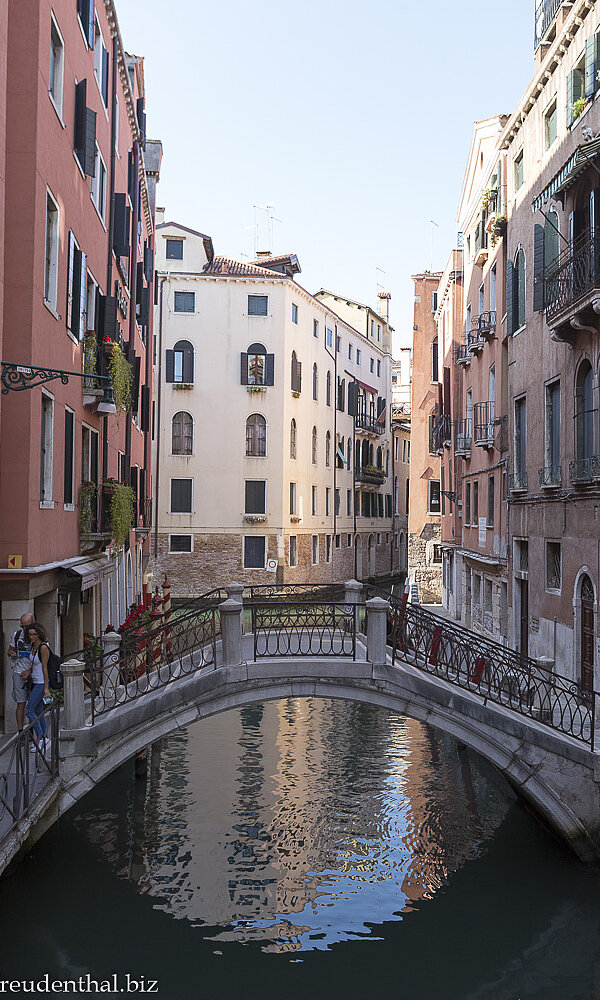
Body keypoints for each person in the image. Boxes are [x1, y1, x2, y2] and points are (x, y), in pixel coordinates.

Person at [25, 622, 51, 749]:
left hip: (41, 683)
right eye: (30, 634)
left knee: (28, 710)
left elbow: (45, 668)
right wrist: (27, 672)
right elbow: (35, 665)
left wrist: (46, 688)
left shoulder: (43, 647)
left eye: (34, 634)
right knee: (38, 711)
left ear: (39, 634)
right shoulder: (32, 646)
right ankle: (44, 739)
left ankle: (40, 737)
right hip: (35, 682)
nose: (31, 637)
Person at [8, 612, 34, 731]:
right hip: (18, 672)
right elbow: (10, 650)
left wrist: (30, 671)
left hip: (34, 674)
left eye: (26, 626)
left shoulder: (38, 636)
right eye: (22, 626)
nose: (24, 629)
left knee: (33, 704)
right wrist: (12, 654)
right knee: (21, 703)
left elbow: (44, 658)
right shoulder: (17, 635)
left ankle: (34, 730)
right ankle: (21, 732)